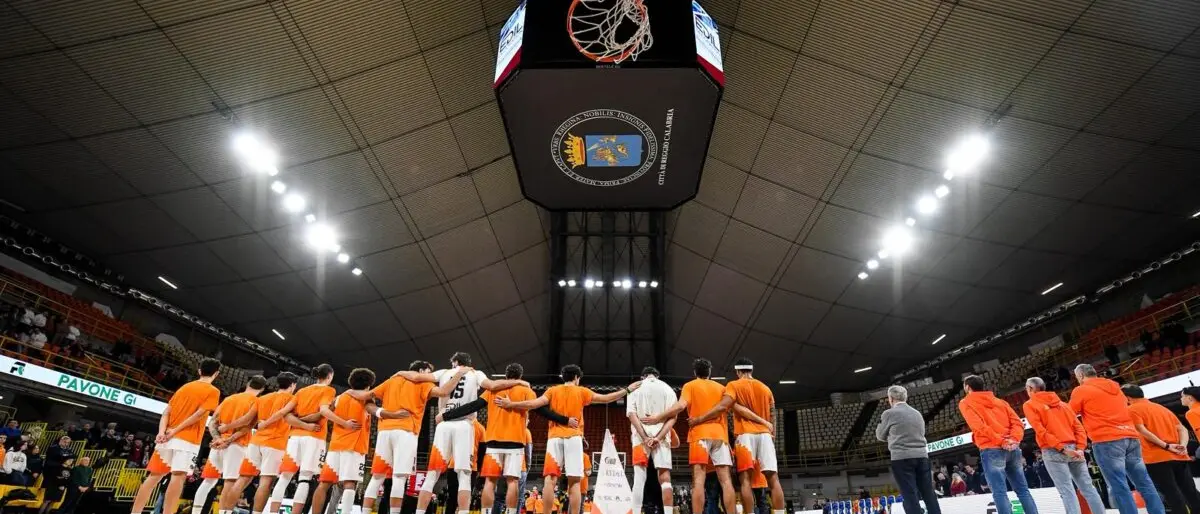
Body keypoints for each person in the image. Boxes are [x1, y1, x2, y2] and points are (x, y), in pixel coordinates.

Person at [496, 364, 639, 514]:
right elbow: (606, 398)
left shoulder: (552, 390)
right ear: (577, 377)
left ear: (563, 377)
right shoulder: (582, 391)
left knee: (550, 480)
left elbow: (533, 404)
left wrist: (510, 404)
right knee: (575, 481)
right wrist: (628, 389)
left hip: (554, 438)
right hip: (574, 438)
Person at [437, 363, 573, 514]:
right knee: (512, 481)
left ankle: (486, 512)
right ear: (520, 376)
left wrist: (445, 416)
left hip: (493, 442)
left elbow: (472, 406)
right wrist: (566, 420)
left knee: (490, 481)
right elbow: (543, 412)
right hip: (515, 443)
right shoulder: (526, 391)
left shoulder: (493, 390)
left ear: (506, 375)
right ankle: (511, 511)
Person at [413, 353, 529, 514]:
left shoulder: (444, 372)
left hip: (443, 424)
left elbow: (418, 377)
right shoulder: (476, 373)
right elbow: (492, 385)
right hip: (464, 425)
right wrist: (518, 381)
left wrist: (399, 375)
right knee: (464, 476)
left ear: (454, 362)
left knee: (432, 474)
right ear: (469, 363)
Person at [357, 360, 464, 514]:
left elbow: (366, 397)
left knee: (376, 478)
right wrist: (459, 373)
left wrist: (381, 412)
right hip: (406, 432)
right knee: (399, 478)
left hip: (384, 432)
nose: (430, 376)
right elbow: (444, 392)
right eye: (428, 372)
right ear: (421, 370)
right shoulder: (421, 382)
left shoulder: (391, 381)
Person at [688, 359, 784, 514]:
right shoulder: (765, 388)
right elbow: (773, 413)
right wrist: (771, 432)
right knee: (773, 479)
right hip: (766, 435)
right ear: (751, 370)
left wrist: (699, 419)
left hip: (745, 435)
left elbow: (724, 406)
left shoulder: (733, 386)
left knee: (745, 480)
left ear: (738, 371)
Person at [640, 359, 735, 514]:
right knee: (726, 481)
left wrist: (658, 417)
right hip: (720, 435)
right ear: (709, 372)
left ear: (694, 372)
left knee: (698, 481)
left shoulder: (690, 386)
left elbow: (680, 406)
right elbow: (726, 408)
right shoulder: (721, 387)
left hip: (699, 435)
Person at [129, 358, 221, 514]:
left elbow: (166, 412)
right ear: (216, 374)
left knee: (153, 477)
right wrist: (176, 431)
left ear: (199, 371)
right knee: (178, 478)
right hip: (187, 439)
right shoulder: (213, 391)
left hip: (167, 437)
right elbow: (199, 415)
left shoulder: (184, 387)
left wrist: (161, 432)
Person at [1069, 364, 1165, 514]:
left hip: (1107, 440)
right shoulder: (1117, 388)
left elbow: (1070, 414)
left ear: (1081, 376)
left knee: (1119, 486)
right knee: (1145, 483)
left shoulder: (1081, 390)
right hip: (1131, 438)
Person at [1021, 377, 1105, 514]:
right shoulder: (1064, 404)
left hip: (1053, 450)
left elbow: (1041, 431)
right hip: (1075, 450)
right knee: (1088, 489)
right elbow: (1079, 427)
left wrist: (1061, 448)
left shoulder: (1029, 405)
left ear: (1030, 389)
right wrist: (1080, 448)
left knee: (1067, 492)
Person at [958, 375, 1038, 514]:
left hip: (991, 449)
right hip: (1012, 448)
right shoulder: (1000, 402)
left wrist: (1002, 441)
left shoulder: (966, 403)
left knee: (1000, 493)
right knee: (1023, 490)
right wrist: (1013, 439)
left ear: (967, 387)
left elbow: (979, 427)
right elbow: (1018, 423)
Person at [228, 371, 300, 514]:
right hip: (275, 443)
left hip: (256, 441)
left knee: (242, 479)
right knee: (266, 482)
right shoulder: (292, 399)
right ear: (292, 385)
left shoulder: (263, 398)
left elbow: (250, 419)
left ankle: (225, 511)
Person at [271, 364, 338, 514]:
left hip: (294, 437)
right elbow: (322, 413)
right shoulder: (329, 390)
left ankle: (272, 512)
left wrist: (300, 422)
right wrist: (308, 425)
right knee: (305, 478)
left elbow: (286, 414)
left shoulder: (301, 391)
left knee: (284, 477)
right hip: (314, 437)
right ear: (330, 376)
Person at [195, 374, 266, 514]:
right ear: (262, 389)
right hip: (237, 445)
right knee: (230, 482)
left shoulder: (229, 398)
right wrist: (228, 440)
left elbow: (212, 422)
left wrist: (217, 438)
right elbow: (247, 426)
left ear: (248, 383)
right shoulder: (257, 402)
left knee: (208, 481)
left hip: (218, 445)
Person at [1124, 384, 1200, 514]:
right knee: (1190, 491)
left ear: (1127, 398)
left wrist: (1166, 446)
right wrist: (1183, 445)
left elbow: (1143, 431)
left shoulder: (1131, 410)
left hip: (1157, 458)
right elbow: (1182, 428)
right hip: (1179, 455)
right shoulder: (1161, 408)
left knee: (1172, 494)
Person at [309, 368, 377, 514]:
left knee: (323, 484)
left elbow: (324, 412)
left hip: (335, 445)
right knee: (349, 484)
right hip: (354, 446)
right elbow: (373, 409)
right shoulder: (365, 397)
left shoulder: (339, 398)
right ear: (369, 384)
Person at [873, 385, 941, 514]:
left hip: (902, 457)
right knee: (928, 492)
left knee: (910, 494)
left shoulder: (889, 413)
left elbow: (880, 436)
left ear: (890, 398)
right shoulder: (917, 413)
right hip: (922, 455)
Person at [625, 366, 678, 514]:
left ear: (643, 376)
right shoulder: (668, 389)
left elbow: (631, 414)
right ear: (657, 376)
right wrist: (658, 437)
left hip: (640, 439)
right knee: (665, 479)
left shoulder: (635, 387)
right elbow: (673, 417)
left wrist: (645, 437)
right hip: (662, 438)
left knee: (639, 478)